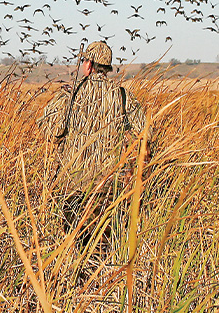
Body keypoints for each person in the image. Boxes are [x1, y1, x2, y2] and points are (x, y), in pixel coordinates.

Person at [41, 41, 147, 256]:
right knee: (101, 250)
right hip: (107, 188)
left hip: (72, 186)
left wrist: (64, 100)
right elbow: (145, 133)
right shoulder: (123, 96)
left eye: (83, 61)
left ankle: (74, 286)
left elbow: (50, 131)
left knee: (74, 248)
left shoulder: (69, 95)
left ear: (88, 65)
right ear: (106, 67)